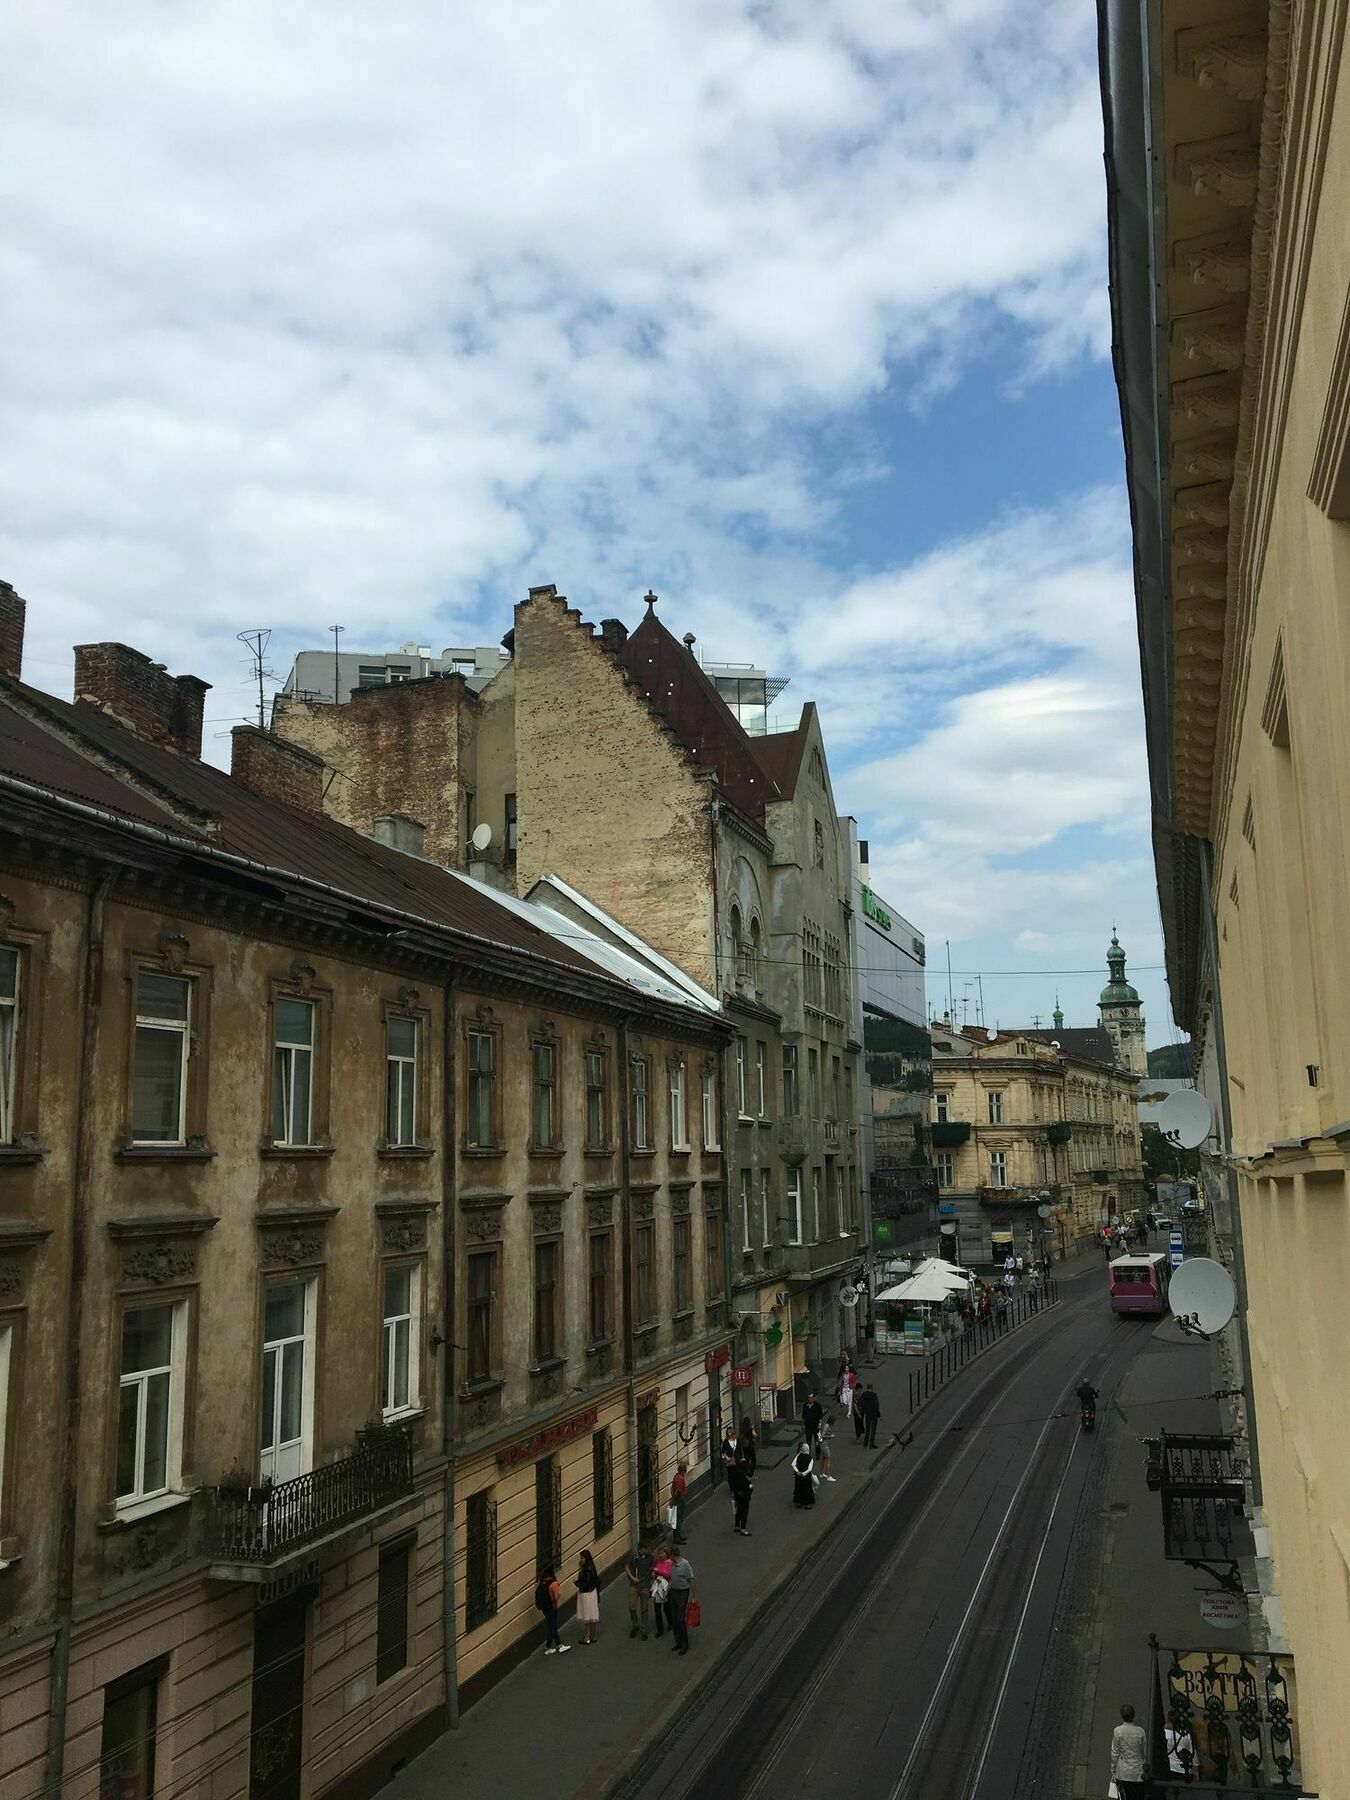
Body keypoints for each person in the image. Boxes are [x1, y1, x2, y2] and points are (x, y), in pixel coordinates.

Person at [1110, 1702, 1147, 1800]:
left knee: (1124, 1796)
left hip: (1123, 1771)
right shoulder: (1141, 1731)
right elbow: (1145, 1751)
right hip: (1138, 1771)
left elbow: (1115, 1752)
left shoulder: (1118, 1731)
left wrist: (1113, 1769)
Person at [535, 1566, 570, 1656]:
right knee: (553, 1626)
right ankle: (559, 1645)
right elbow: (556, 1596)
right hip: (552, 1607)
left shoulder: (541, 1582)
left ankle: (548, 1647)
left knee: (551, 1626)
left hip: (544, 1608)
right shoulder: (553, 1583)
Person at [667, 1547, 695, 1655]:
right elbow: (671, 1579)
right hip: (673, 1592)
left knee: (680, 1618)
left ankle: (684, 1644)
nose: (669, 1558)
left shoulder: (685, 1564)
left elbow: (691, 1580)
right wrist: (666, 1592)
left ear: (674, 1555)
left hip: (683, 1592)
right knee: (674, 1618)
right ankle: (678, 1642)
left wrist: (693, 1597)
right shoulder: (672, 1565)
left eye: (670, 1556)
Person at [625, 1545, 652, 1640]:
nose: (650, 1551)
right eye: (648, 1549)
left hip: (645, 1586)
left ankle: (644, 1630)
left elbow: (652, 1569)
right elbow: (627, 1566)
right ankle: (635, 1625)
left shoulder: (651, 1558)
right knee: (631, 1607)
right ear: (643, 1548)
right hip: (634, 1586)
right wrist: (632, 1577)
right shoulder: (634, 1556)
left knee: (644, 1609)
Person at [650, 1543, 674, 1637]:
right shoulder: (657, 1562)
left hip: (666, 1587)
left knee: (667, 1609)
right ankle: (659, 1629)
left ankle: (670, 1623)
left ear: (666, 1553)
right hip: (658, 1586)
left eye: (662, 1553)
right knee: (657, 1610)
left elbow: (668, 1575)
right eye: (659, 1553)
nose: (660, 1555)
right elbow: (653, 1571)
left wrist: (658, 1571)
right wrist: (654, 1573)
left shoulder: (669, 1563)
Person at [729, 1452, 753, 1535]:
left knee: (738, 1510)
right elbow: (748, 1486)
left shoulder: (735, 1473)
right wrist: (750, 1486)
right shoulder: (744, 1475)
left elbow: (732, 1484)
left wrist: (733, 1492)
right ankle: (743, 1529)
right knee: (744, 1512)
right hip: (744, 1496)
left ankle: (736, 1525)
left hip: (737, 1495)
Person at [791, 1440, 816, 1507]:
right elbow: (809, 1469)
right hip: (806, 1477)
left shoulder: (798, 1456)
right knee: (807, 1488)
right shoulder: (810, 1458)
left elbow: (793, 1464)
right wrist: (804, 1473)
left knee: (798, 1488)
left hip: (798, 1476)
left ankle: (798, 1502)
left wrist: (797, 1471)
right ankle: (807, 1504)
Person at [858, 1382, 881, 1448]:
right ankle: (871, 1444)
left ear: (867, 1387)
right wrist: (879, 1415)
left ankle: (865, 1443)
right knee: (873, 1430)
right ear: (872, 1388)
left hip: (867, 1414)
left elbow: (860, 1403)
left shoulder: (864, 1395)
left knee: (867, 1428)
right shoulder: (874, 1395)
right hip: (874, 1414)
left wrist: (863, 1411)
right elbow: (877, 1406)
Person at [669, 1462, 688, 1544]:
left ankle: (678, 1536)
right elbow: (678, 1491)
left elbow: (672, 1488)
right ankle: (677, 1538)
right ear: (684, 1470)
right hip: (679, 1499)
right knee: (679, 1519)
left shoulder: (677, 1476)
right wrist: (673, 1500)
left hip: (678, 1499)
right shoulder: (680, 1478)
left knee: (677, 1519)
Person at [818, 1412, 836, 1481]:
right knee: (828, 1458)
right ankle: (828, 1476)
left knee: (823, 1458)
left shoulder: (826, 1425)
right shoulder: (827, 1426)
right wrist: (830, 1436)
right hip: (824, 1445)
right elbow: (822, 1435)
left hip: (823, 1445)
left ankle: (821, 1473)